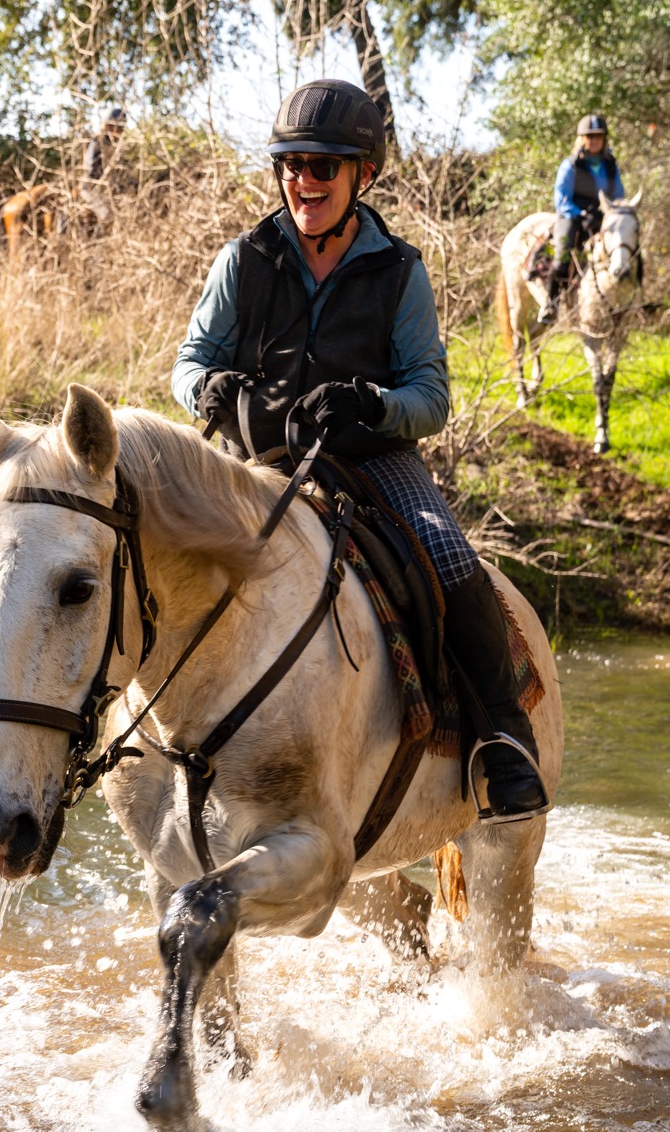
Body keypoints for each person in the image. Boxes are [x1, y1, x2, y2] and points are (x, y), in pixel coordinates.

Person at [172, 78, 548, 821]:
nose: (302, 181)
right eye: (291, 163)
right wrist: (207, 392)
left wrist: (373, 403)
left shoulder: (401, 270)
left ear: (362, 175)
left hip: (372, 458)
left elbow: (430, 400)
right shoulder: (241, 260)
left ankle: (501, 740)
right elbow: (190, 361)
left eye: (323, 166)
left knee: (448, 556)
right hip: (255, 458)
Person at [547, 112, 626, 318]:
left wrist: (615, 212)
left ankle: (632, 297)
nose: (593, 141)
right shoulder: (570, 165)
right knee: (563, 255)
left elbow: (618, 195)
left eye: (597, 137)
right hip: (572, 218)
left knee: (627, 245)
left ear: (604, 139)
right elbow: (561, 198)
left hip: (602, 217)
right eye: (589, 136)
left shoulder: (611, 166)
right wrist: (580, 214)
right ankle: (551, 303)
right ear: (582, 139)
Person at [81, 107, 126, 227]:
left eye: (122, 128)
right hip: (91, 189)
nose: (121, 132)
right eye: (119, 128)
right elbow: (92, 172)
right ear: (109, 126)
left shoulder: (114, 147)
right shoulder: (97, 143)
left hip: (105, 189)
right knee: (108, 215)